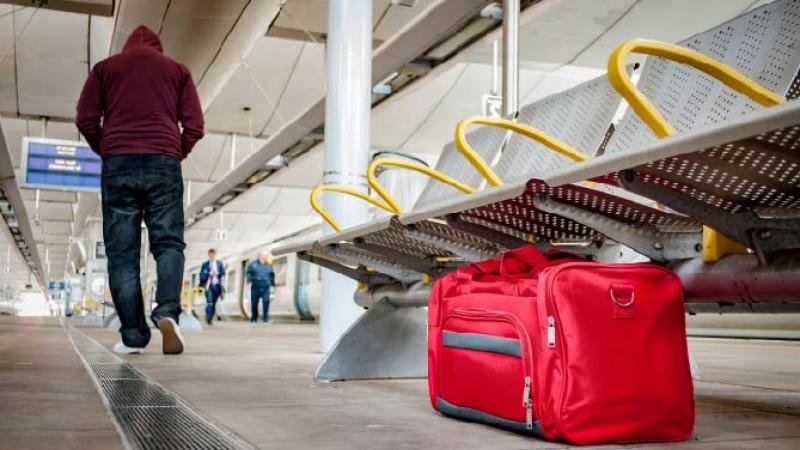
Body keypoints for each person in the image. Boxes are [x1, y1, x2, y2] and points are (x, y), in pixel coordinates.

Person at [76, 25, 204, 355]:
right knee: (168, 243)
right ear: (159, 49)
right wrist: (176, 151)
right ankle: (166, 311)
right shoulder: (178, 71)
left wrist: (107, 148)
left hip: (119, 162)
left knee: (122, 254)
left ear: (126, 46)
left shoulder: (105, 69)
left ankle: (133, 335)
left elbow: (86, 119)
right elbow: (195, 126)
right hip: (164, 161)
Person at [245, 251, 276, 325]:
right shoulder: (252, 265)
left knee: (266, 302)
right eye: (264, 255)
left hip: (266, 287)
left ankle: (265, 319)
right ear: (259, 256)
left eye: (266, 256)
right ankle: (254, 319)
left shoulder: (269, 266)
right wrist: (249, 281)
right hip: (255, 287)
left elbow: (272, 275)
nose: (265, 257)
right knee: (254, 303)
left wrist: (273, 285)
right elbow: (248, 273)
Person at [199, 249, 225, 325]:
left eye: (213, 255)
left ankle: (210, 318)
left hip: (217, 286)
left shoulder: (219, 264)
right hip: (208, 286)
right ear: (208, 255)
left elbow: (223, 272)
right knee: (209, 302)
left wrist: (217, 273)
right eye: (210, 255)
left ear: (215, 255)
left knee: (213, 303)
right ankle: (208, 318)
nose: (212, 257)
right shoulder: (205, 264)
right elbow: (201, 275)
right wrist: (208, 273)